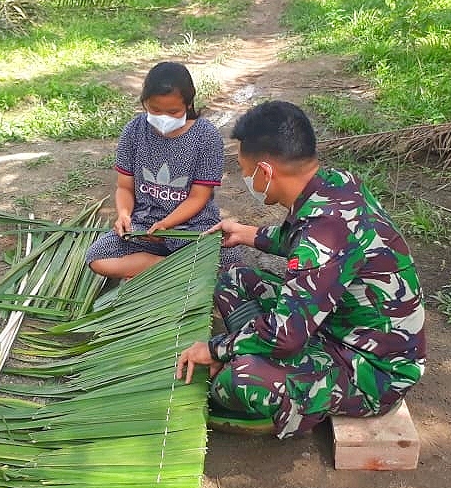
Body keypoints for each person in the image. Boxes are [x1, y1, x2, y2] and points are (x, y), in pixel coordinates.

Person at [176, 100, 426, 439]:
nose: (245, 177)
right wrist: (249, 234)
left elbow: (286, 336)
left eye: (244, 169)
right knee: (235, 280)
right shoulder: (337, 183)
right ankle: (257, 356)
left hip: (373, 368)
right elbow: (304, 238)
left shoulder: (322, 235)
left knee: (239, 380)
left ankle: (287, 397)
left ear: (265, 172)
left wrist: (217, 348)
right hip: (334, 323)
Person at [86, 61, 242, 279]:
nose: (164, 117)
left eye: (173, 111)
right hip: (144, 227)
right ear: (144, 103)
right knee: (98, 257)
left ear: (188, 104)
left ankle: (152, 272)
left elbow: (199, 196)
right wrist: (123, 215)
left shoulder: (206, 136)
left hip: (192, 228)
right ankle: (177, 270)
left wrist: (167, 225)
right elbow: (124, 187)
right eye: (155, 110)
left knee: (231, 263)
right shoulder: (133, 131)